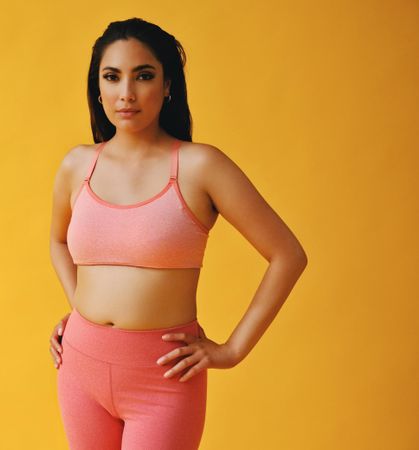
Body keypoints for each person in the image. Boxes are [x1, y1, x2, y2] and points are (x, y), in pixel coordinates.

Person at [48, 17, 307, 450]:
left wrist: (232, 350)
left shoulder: (199, 166)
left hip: (162, 376)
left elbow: (287, 255)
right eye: (111, 77)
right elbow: (57, 240)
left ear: (168, 85)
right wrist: (80, 309)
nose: (126, 93)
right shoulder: (78, 165)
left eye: (143, 76)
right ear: (97, 88)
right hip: (80, 368)